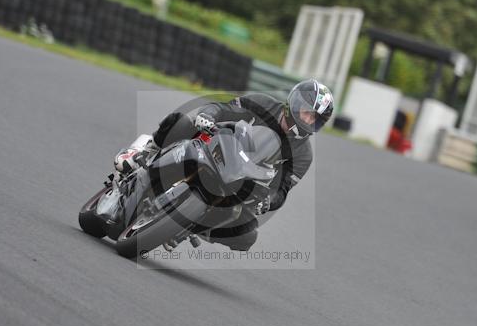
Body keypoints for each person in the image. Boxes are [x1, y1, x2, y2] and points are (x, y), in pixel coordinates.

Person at [115, 79, 334, 250]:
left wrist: (268, 201)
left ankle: (188, 227)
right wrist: (208, 116)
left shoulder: (303, 155)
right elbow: (223, 108)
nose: (308, 121)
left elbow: (283, 189)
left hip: (241, 183)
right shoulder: (263, 103)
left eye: (315, 119)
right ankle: (145, 151)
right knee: (180, 122)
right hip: (217, 147)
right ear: (294, 104)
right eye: (307, 113)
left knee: (248, 233)